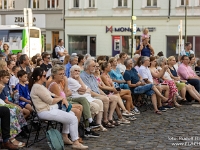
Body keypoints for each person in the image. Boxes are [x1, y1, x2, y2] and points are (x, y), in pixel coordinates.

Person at [29, 67, 88, 149]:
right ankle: (76, 142)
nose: (46, 77)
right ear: (39, 77)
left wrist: (62, 98)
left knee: (70, 113)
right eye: (44, 75)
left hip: (48, 109)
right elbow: (50, 100)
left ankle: (65, 136)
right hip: (44, 111)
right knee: (73, 119)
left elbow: (51, 94)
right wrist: (61, 98)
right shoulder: (37, 87)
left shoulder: (40, 86)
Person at [46, 65, 100, 138]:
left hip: (63, 102)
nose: (63, 76)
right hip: (57, 105)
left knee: (81, 105)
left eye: (63, 74)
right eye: (60, 74)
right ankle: (74, 133)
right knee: (78, 109)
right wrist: (66, 84)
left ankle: (76, 131)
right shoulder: (54, 84)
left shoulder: (58, 83)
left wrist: (67, 89)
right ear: (54, 75)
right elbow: (63, 96)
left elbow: (67, 94)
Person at [80, 59, 119, 128]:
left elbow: (97, 88)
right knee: (105, 99)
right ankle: (105, 120)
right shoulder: (83, 76)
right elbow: (89, 91)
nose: (96, 68)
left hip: (97, 94)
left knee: (115, 98)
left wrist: (104, 94)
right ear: (89, 67)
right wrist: (102, 96)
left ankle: (110, 118)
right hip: (91, 96)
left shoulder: (92, 75)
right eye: (94, 66)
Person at [69, 65, 107, 132]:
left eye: (79, 71)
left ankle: (98, 124)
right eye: (75, 70)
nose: (77, 72)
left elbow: (88, 89)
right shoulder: (71, 80)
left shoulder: (77, 80)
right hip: (79, 99)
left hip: (87, 97)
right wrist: (82, 84)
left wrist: (84, 90)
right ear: (71, 72)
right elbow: (84, 88)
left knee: (100, 102)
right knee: (95, 106)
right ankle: (88, 125)